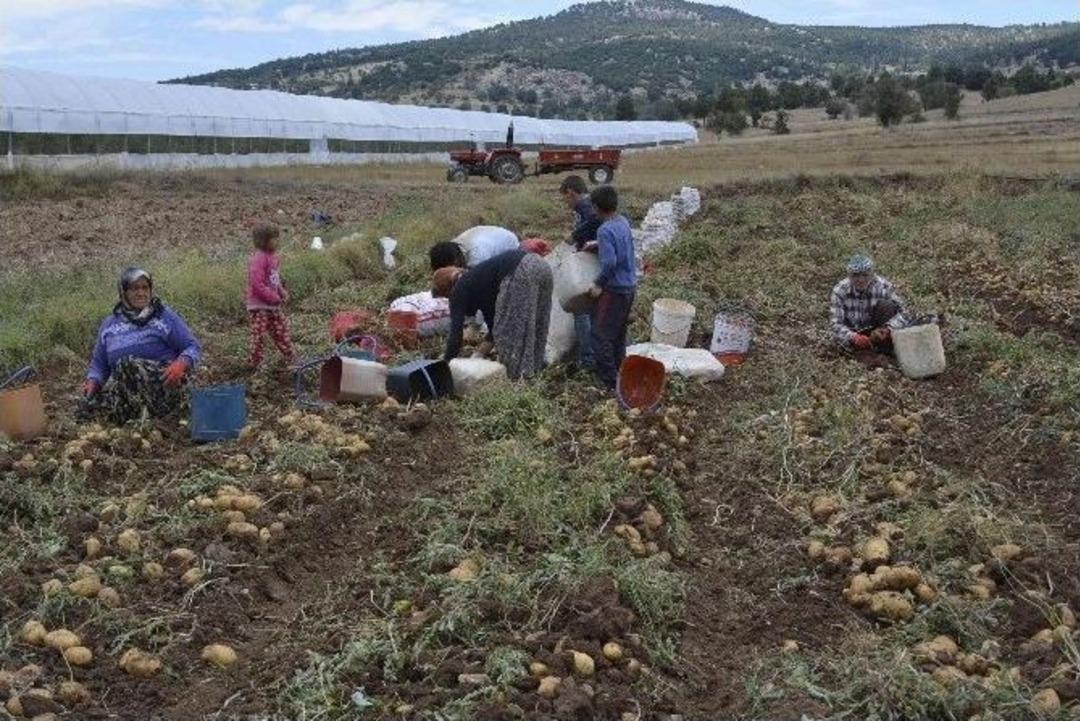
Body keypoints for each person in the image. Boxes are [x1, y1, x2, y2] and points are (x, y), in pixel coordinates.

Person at [81, 268, 201, 424]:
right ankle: (133, 420)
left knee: (127, 364)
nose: (140, 293)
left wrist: (182, 363)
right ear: (123, 292)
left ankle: (153, 420)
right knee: (85, 408)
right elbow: (99, 364)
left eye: (145, 288)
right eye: (134, 288)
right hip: (127, 390)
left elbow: (193, 346)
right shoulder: (109, 325)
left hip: (164, 386)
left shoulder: (164, 316)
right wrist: (93, 381)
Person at [434, 248, 552, 380]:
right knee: (537, 323)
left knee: (511, 333)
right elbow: (495, 327)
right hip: (541, 265)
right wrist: (477, 356)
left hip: (520, 270)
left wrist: (446, 363)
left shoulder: (459, 287)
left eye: (447, 296)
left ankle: (518, 381)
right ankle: (537, 371)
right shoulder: (480, 280)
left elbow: (455, 334)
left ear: (448, 288)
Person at [587, 186, 637, 389]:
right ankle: (621, 373)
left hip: (614, 289)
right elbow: (622, 248)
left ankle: (609, 381)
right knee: (618, 334)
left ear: (596, 207)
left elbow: (609, 263)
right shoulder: (622, 222)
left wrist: (598, 284)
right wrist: (597, 245)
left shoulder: (604, 230)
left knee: (600, 335)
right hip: (629, 287)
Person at [560, 175, 604, 371]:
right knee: (592, 311)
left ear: (571, 192)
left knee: (582, 310)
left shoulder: (586, 207)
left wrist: (575, 236)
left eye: (565, 198)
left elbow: (594, 220)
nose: (566, 203)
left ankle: (588, 360)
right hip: (592, 263)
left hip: (592, 265)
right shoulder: (585, 207)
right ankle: (592, 354)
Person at [829, 255, 906, 353]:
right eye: (855, 275)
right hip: (853, 334)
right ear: (849, 275)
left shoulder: (884, 286)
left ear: (872, 274)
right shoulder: (840, 291)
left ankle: (884, 349)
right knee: (840, 343)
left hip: (878, 331)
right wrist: (854, 337)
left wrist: (888, 329)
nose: (861, 280)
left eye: (865, 275)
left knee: (887, 305)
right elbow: (835, 324)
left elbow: (903, 314)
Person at [247, 223, 296, 368]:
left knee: (282, 330)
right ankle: (255, 363)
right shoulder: (258, 259)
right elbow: (257, 283)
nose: (277, 241)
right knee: (259, 335)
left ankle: (290, 356)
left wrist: (281, 292)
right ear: (264, 240)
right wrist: (273, 297)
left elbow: (275, 279)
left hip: (273, 305)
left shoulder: (274, 257)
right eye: (274, 238)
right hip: (259, 306)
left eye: (277, 238)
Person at [430, 226, 520, 271]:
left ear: (457, 261)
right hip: (489, 236)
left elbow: (482, 282)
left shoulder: (477, 256)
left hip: (509, 244)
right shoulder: (451, 249)